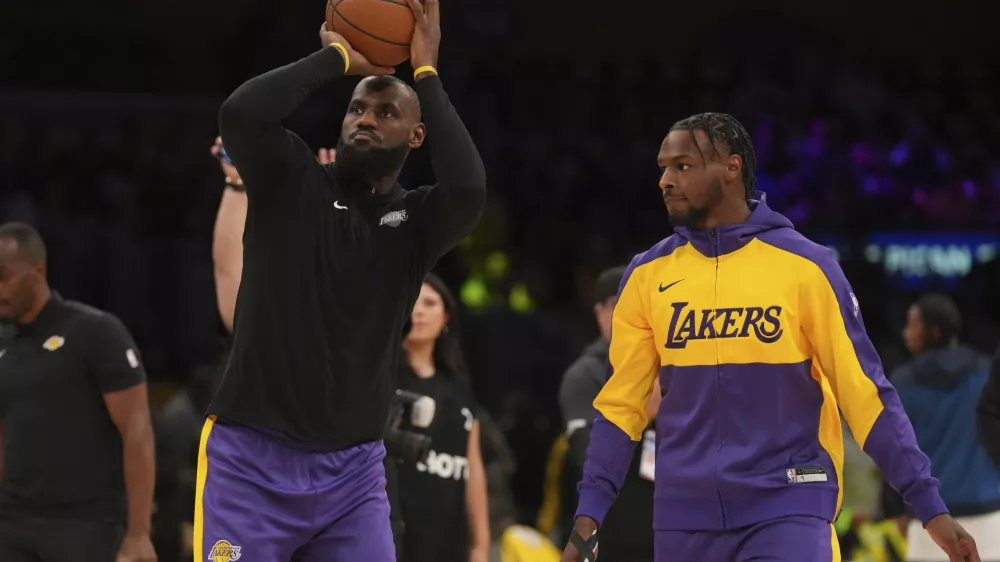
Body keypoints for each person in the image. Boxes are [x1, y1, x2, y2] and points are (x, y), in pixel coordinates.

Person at [560, 113, 979, 562]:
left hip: (789, 504)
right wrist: (587, 522)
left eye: (682, 166)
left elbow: (865, 395)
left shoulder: (806, 267)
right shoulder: (646, 276)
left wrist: (929, 507)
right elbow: (620, 408)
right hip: (684, 517)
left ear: (731, 168)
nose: (665, 180)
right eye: (663, 168)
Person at [195, 0, 487, 558]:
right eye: (356, 110)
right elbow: (241, 114)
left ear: (417, 135)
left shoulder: (415, 224)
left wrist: (425, 74)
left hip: (351, 471)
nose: (365, 120)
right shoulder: (293, 181)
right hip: (250, 456)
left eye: (385, 113)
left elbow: (470, 189)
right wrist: (335, 58)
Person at [0, 222, 156, 562]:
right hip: (12, 524)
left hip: (84, 526)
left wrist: (139, 533)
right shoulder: (4, 343)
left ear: (37, 270)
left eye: (3, 276)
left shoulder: (94, 331)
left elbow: (136, 431)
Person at [558, 265, 658, 561]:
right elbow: (585, 453)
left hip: (663, 528)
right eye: (618, 305)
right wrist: (647, 410)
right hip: (607, 532)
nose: (631, 314)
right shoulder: (585, 374)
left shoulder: (666, 366)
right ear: (599, 313)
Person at [890, 293, 1000, 561]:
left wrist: (894, 508)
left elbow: (893, 453)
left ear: (934, 331)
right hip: (990, 521)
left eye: (912, 325)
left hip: (930, 523)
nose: (905, 333)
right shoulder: (987, 371)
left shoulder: (902, 382)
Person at [395, 273, 490, 562]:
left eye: (429, 303)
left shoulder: (460, 390)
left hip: (449, 542)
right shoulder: (381, 380)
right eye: (411, 302)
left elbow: (473, 467)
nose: (418, 311)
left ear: (446, 316)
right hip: (394, 536)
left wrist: (480, 547)